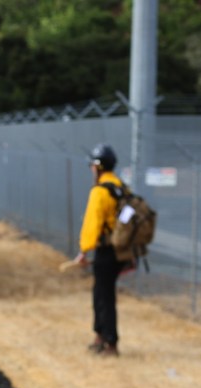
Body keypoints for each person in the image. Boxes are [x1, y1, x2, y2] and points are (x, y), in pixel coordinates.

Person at [72, 143, 132, 357]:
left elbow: (92, 223)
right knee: (102, 293)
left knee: (103, 296)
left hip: (106, 251)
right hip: (120, 250)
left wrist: (84, 251)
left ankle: (110, 342)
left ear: (98, 166)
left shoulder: (100, 192)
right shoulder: (122, 188)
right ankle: (100, 336)